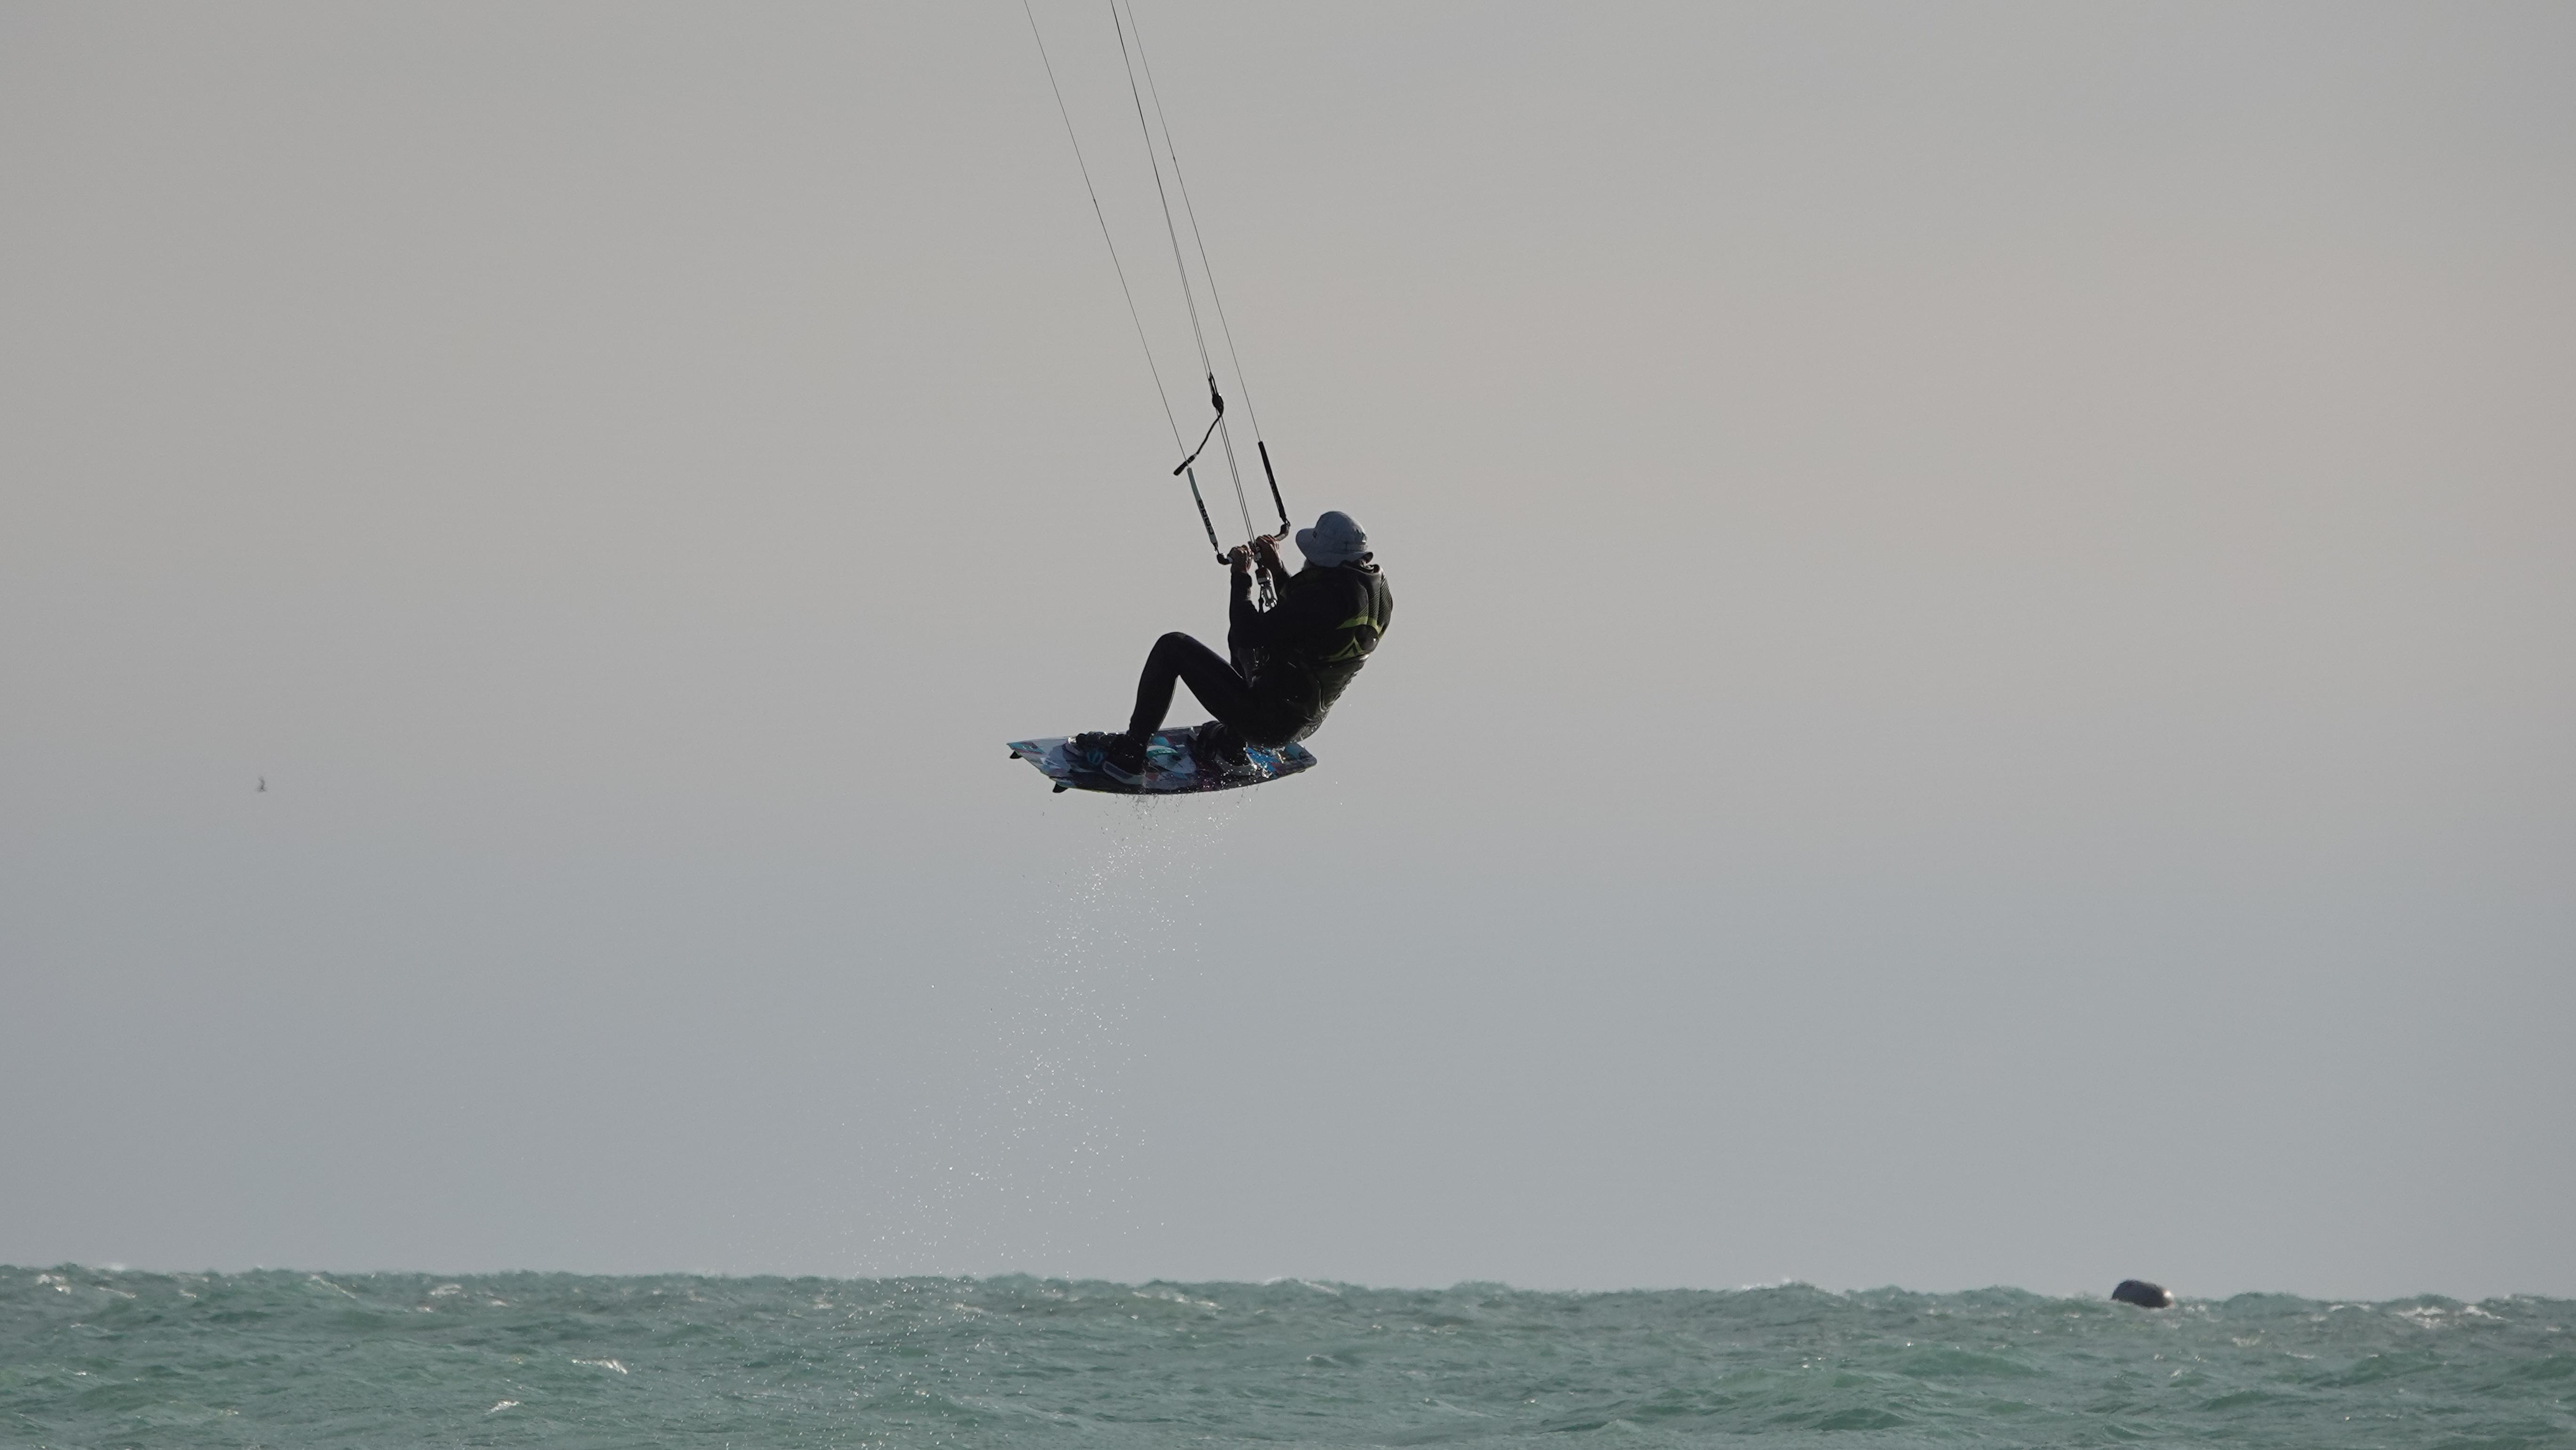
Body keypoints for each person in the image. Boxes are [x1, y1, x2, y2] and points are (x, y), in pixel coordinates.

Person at [1079, 510, 1392, 784]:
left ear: (1327, 561)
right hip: (1303, 719)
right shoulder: (1376, 594)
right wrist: (1278, 571)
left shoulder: (1326, 599)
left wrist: (1240, 577)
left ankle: (1130, 756)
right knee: (1254, 645)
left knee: (1172, 647)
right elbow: (1309, 621)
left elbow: (1248, 632)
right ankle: (1231, 744)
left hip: (1270, 722)